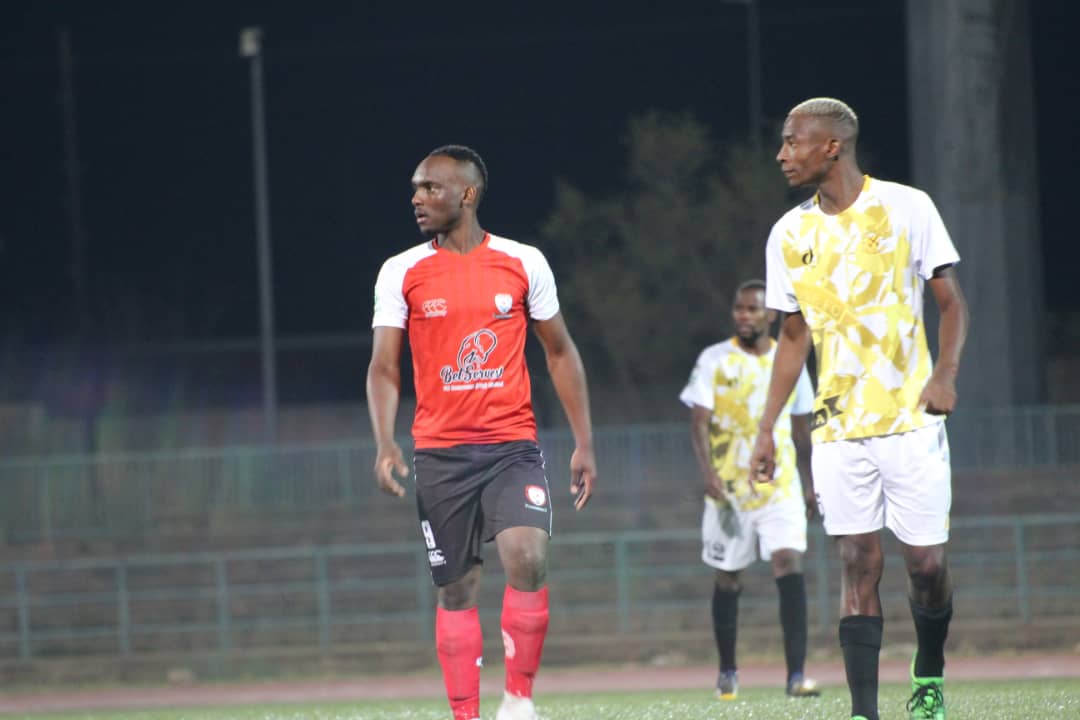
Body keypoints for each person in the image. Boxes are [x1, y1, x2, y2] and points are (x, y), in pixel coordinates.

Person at [750, 98, 969, 720]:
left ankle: (928, 672)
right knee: (856, 562)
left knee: (926, 566)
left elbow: (952, 304)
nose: (781, 154)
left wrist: (944, 375)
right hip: (837, 426)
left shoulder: (907, 207)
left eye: (792, 142)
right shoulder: (788, 233)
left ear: (831, 147)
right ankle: (864, 712)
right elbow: (794, 338)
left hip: (911, 419)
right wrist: (767, 429)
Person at [366, 145, 597, 720]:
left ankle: (519, 701)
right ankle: (465, 715)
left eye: (431, 188)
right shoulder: (401, 271)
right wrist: (385, 440)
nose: (418, 198)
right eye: (416, 188)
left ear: (467, 194)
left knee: (527, 556)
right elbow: (384, 366)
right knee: (457, 590)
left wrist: (584, 443)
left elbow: (561, 352)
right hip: (441, 455)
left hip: (512, 446)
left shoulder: (523, 262)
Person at [679, 279, 821, 701]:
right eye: (739, 309)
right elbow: (699, 422)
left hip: (780, 485)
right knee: (728, 578)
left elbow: (802, 429)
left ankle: (796, 676)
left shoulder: (789, 360)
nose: (743, 315)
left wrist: (812, 484)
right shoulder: (714, 360)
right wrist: (707, 473)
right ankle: (727, 672)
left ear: (771, 314)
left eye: (752, 309)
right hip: (728, 491)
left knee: (787, 561)